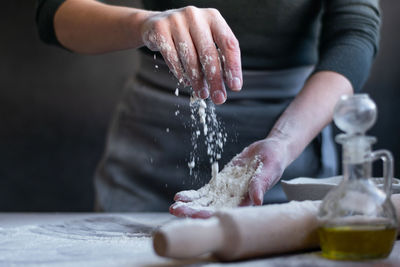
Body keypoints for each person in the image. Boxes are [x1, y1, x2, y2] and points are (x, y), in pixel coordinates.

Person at [36, 0, 381, 217]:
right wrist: (144, 24)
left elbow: (355, 33)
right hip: (151, 151)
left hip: (291, 145)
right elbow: (53, 13)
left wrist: (284, 142)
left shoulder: (288, 145)